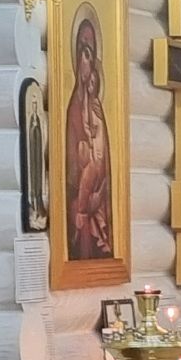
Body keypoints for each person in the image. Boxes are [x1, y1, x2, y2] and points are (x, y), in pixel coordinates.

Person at [66, 16, 113, 260]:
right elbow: (74, 158)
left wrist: (100, 192)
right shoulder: (73, 106)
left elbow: (103, 157)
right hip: (80, 190)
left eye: (91, 53)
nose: (88, 60)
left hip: (96, 188)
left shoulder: (97, 108)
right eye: (84, 52)